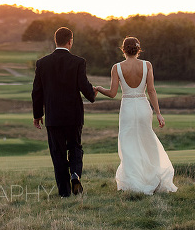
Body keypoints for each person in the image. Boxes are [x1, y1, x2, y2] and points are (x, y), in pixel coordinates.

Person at [95, 36, 177, 194]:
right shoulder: (147, 65)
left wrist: (99, 88)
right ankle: (152, 178)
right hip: (142, 107)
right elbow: (151, 90)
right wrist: (158, 113)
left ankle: (134, 182)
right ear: (138, 49)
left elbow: (112, 93)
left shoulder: (116, 67)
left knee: (129, 145)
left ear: (123, 49)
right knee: (147, 141)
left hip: (127, 108)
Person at [32, 27, 98, 197]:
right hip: (74, 115)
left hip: (53, 117)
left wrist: (37, 115)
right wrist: (92, 94)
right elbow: (84, 86)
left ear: (56, 41)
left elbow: (37, 92)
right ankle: (75, 174)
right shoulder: (78, 61)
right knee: (75, 147)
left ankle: (64, 192)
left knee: (58, 153)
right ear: (70, 41)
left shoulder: (42, 63)